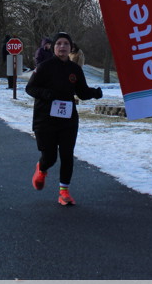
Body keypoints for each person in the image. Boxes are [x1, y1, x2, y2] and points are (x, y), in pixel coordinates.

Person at [25, 32, 102, 206]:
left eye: (66, 44)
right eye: (59, 43)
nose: (62, 47)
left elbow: (82, 92)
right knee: (50, 157)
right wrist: (46, 94)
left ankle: (64, 192)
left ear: (70, 47)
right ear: (53, 47)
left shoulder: (75, 69)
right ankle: (42, 168)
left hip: (68, 119)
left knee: (67, 155)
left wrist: (95, 93)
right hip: (45, 119)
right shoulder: (44, 67)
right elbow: (30, 88)